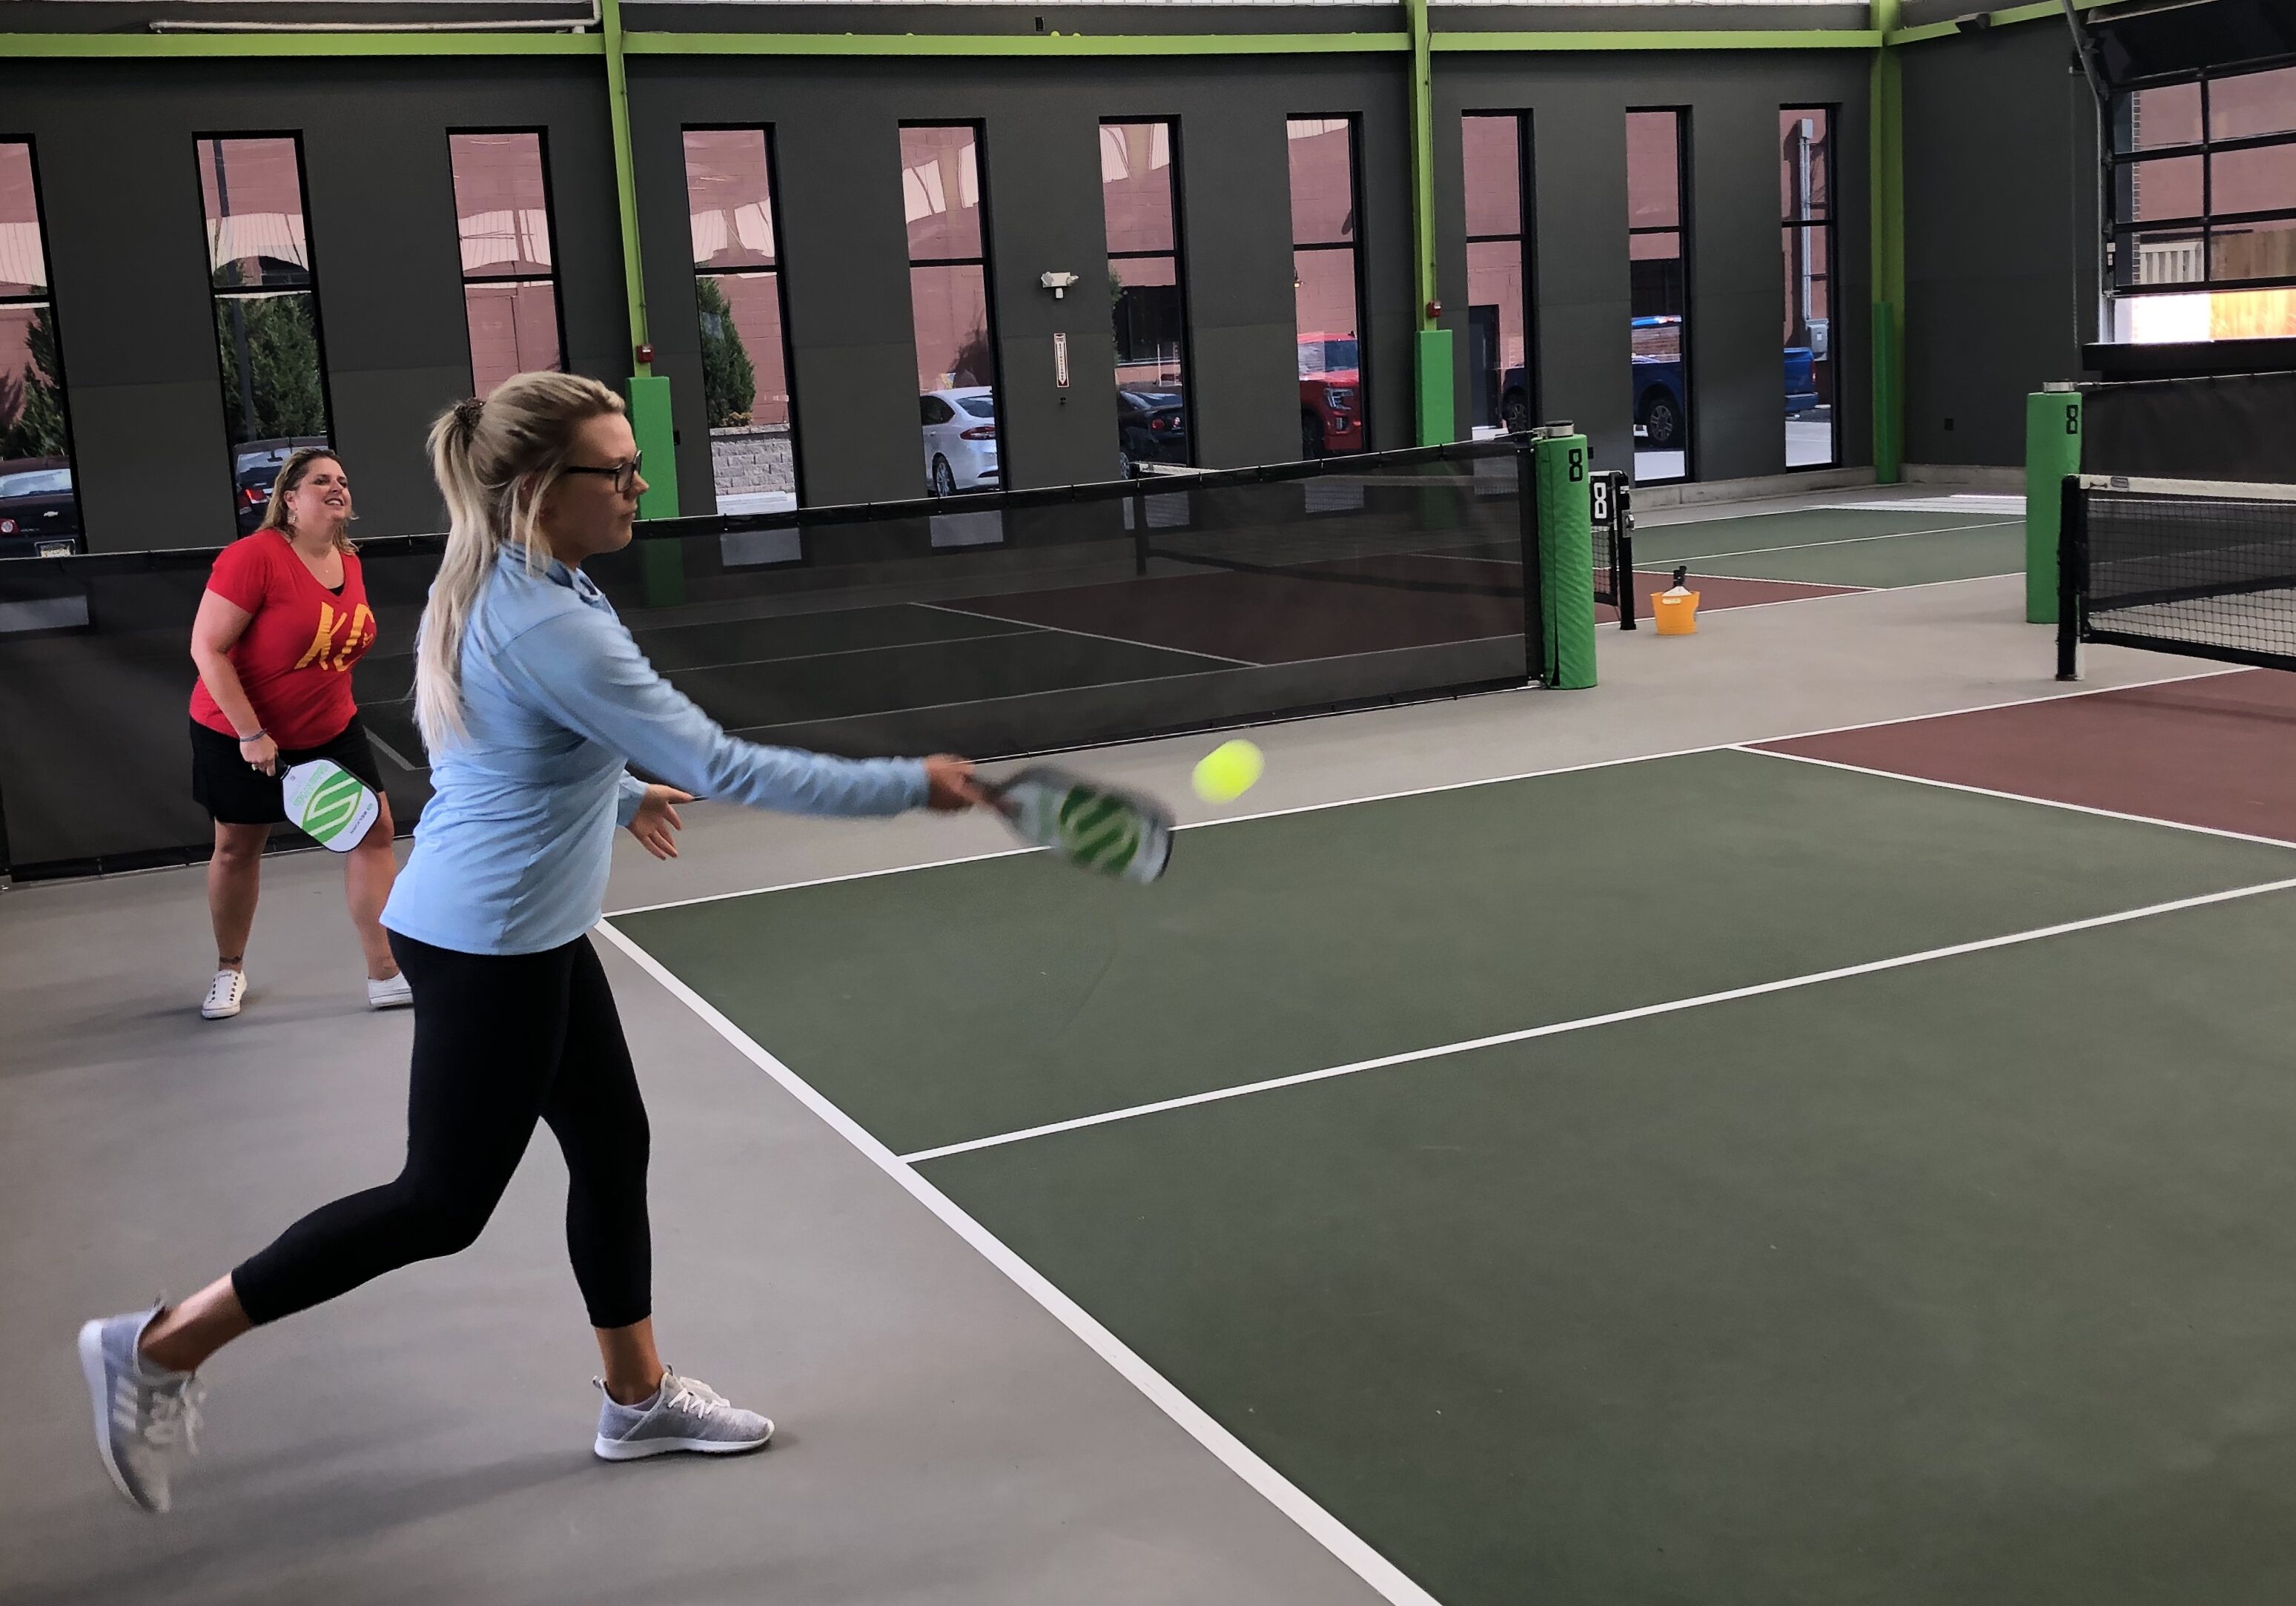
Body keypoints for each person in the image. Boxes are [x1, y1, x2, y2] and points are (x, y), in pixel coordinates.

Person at [81, 373, 987, 1514]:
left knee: (612, 1145)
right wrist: (909, 782)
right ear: (538, 486)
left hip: (529, 922)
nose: (638, 483)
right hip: (491, 937)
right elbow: (727, 765)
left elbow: (503, 750)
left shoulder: (511, 576)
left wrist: (612, 793)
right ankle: (159, 1345)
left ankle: (636, 1394)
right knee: (439, 1203)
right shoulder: (550, 614)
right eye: (616, 468)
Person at [188, 446, 408, 1018]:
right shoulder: (253, 557)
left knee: (374, 830)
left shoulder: (348, 560)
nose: (337, 487)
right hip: (237, 728)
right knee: (238, 847)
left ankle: (384, 972)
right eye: (320, 481)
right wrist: (251, 732)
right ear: (289, 500)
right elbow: (207, 649)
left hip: (331, 726)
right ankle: (228, 970)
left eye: (342, 479)